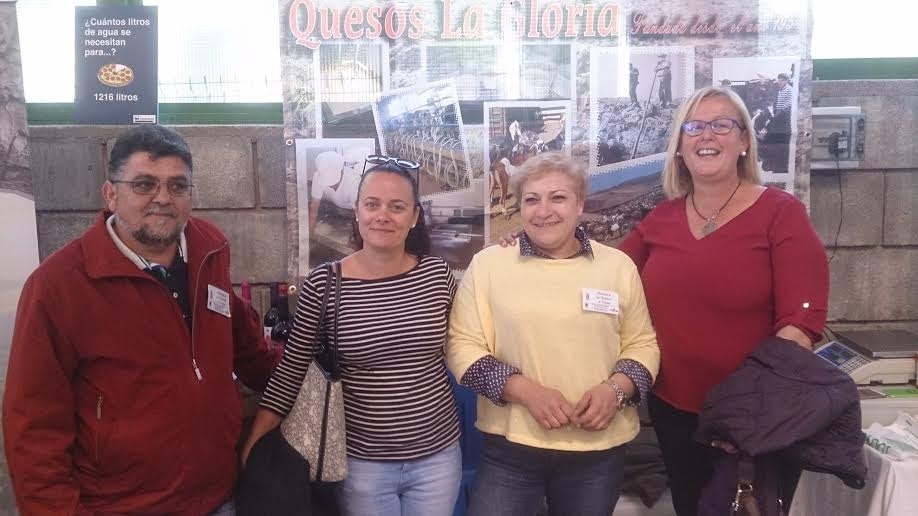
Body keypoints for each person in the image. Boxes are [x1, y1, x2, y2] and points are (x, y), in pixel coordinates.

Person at [2, 124, 282, 515]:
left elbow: (242, 343)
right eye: (144, 184)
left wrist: (305, 379)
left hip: (219, 496)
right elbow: (34, 430)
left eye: (177, 186)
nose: (163, 198)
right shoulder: (58, 287)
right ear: (111, 194)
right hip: (121, 506)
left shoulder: (209, 250)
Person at [617, 86, 828, 516]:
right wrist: (530, 250)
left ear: (744, 141)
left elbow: (801, 324)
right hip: (676, 413)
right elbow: (604, 275)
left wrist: (746, 406)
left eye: (721, 125)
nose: (706, 136)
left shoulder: (781, 213)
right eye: (693, 127)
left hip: (756, 419)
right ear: (680, 147)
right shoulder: (661, 219)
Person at [243, 155, 462, 516]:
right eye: (372, 204)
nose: (383, 215)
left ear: (414, 217)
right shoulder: (325, 283)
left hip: (438, 456)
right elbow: (291, 371)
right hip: (362, 464)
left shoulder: (437, 275)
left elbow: (467, 343)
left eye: (397, 207)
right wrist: (255, 444)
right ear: (356, 211)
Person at [447, 152, 660, 516]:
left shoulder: (617, 267)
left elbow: (643, 344)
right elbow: (462, 346)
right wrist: (526, 392)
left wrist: (615, 391)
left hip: (597, 451)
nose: (543, 210)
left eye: (558, 197)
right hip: (511, 449)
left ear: (580, 204)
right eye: (532, 199)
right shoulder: (489, 265)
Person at [308, 149, 363, 236]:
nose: (331, 185)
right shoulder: (317, 177)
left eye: (333, 181)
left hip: (351, 210)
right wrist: (310, 234)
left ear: (342, 170)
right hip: (334, 206)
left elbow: (359, 215)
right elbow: (314, 206)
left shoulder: (354, 182)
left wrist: (357, 237)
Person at [763, 72, 793, 174]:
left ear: (787, 81)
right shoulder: (779, 89)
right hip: (778, 113)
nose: (780, 82)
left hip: (784, 114)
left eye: (782, 80)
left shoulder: (789, 89)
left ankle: (779, 163)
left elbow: (788, 103)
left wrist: (779, 112)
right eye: (779, 80)